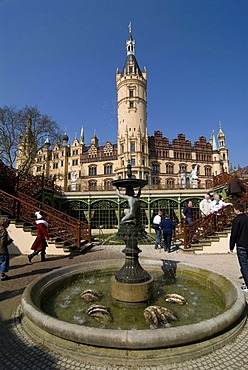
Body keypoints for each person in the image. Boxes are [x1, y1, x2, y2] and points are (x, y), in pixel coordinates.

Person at [229, 203, 248, 292]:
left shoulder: (237, 220)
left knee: (244, 265)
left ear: (237, 210)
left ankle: (247, 285)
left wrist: (231, 246)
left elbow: (234, 234)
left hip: (241, 244)